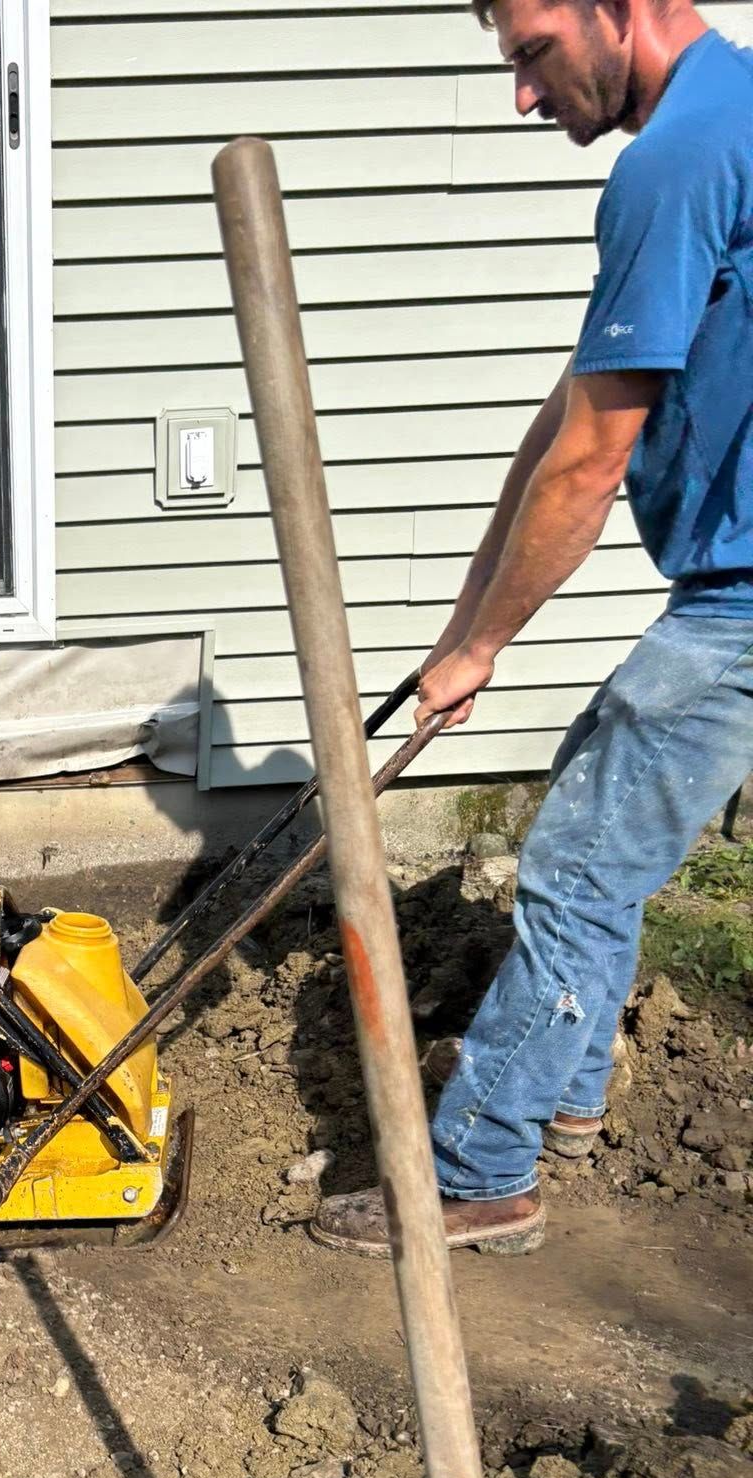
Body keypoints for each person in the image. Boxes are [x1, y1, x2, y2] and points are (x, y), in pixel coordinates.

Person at [311, 0, 753, 1257]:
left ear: (621, 8)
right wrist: (463, 634)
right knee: (590, 808)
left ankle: (479, 1173)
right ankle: (562, 1092)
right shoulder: (730, 121)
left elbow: (589, 467)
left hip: (747, 591)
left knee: (575, 862)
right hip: (733, 581)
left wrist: (484, 646)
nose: (520, 95)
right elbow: (560, 429)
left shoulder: (675, 161)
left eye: (532, 53)